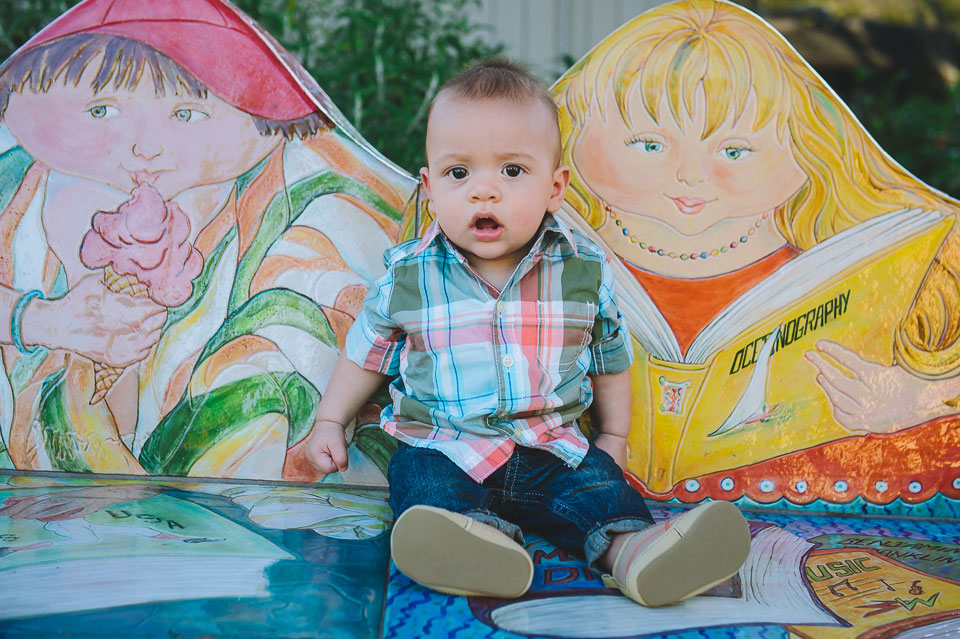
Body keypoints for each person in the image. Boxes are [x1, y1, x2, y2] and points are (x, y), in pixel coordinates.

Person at [304, 59, 751, 604]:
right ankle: (479, 548)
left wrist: (613, 436)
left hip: (554, 448)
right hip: (445, 445)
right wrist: (331, 419)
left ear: (554, 186)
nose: (483, 193)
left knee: (601, 495)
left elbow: (611, 357)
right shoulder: (409, 276)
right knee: (425, 491)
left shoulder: (582, 270)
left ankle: (637, 555)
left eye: (512, 171)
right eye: (458, 173)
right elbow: (367, 355)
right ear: (429, 187)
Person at [553, 0, 960, 504]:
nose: (691, 176)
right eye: (649, 145)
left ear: (805, 146)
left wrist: (918, 398)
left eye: (735, 151)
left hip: (799, 511)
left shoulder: (901, 260)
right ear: (575, 131)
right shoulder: (535, 243)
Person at [0, 0, 413, 481]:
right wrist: (40, 319)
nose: (145, 148)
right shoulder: (20, 188)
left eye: (186, 113)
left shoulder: (296, 203)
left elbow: (326, 316)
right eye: (102, 109)